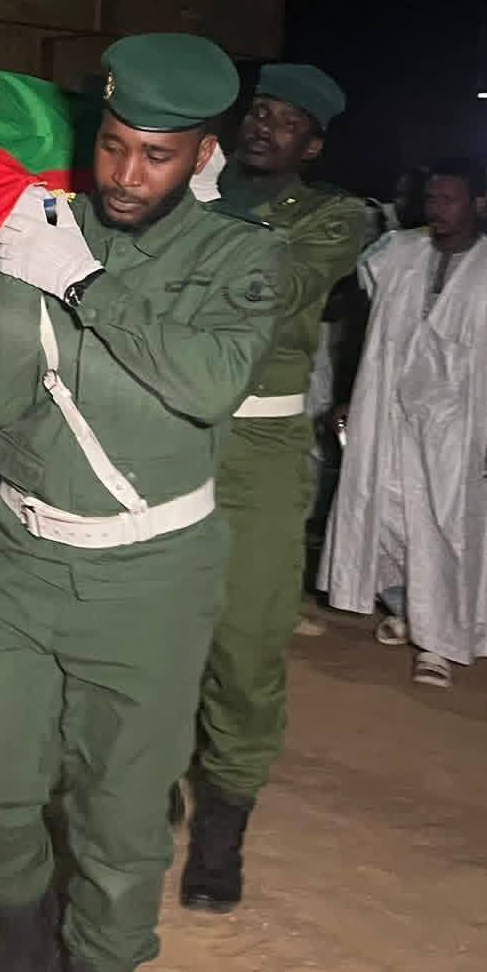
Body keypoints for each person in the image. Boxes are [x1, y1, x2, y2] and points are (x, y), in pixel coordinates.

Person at [0, 34, 281, 972]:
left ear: (203, 155)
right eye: (114, 146)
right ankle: (24, 919)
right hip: (21, 557)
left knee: (122, 821)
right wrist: (0, 279)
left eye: (157, 156)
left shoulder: (238, 258)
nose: (126, 176)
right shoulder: (44, 228)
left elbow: (206, 383)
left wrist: (81, 284)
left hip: (150, 576)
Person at [182, 63, 369, 913]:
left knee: (246, 642)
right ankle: (147, 784)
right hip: (162, 433)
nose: (265, 126)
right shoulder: (186, 188)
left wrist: (189, 212)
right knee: (149, 629)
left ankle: (223, 824)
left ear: (313, 145)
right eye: (259, 111)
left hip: (256, 451)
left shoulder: (335, 216)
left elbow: (277, 282)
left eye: (288, 121)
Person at [321, 158, 487, 687]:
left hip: (463, 420)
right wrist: (351, 394)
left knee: (447, 527)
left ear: (478, 204)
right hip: (393, 409)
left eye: (449, 199)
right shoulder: (400, 252)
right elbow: (368, 328)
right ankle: (409, 607)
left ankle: (439, 644)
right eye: (431, 199)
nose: (436, 209)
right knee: (389, 514)